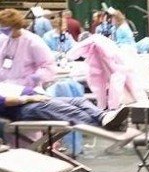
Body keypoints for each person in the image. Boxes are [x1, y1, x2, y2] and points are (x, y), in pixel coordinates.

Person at [0, 89, 129, 131]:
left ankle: (103, 117)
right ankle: (105, 126)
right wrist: (30, 98)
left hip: (35, 97)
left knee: (79, 101)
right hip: (22, 108)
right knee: (71, 111)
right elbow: (6, 101)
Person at [0, 9, 56, 88]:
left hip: (25, 86)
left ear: (16, 26)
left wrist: (34, 79)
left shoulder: (33, 41)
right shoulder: (3, 39)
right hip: (4, 85)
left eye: (6, 28)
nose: (3, 30)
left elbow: (48, 65)